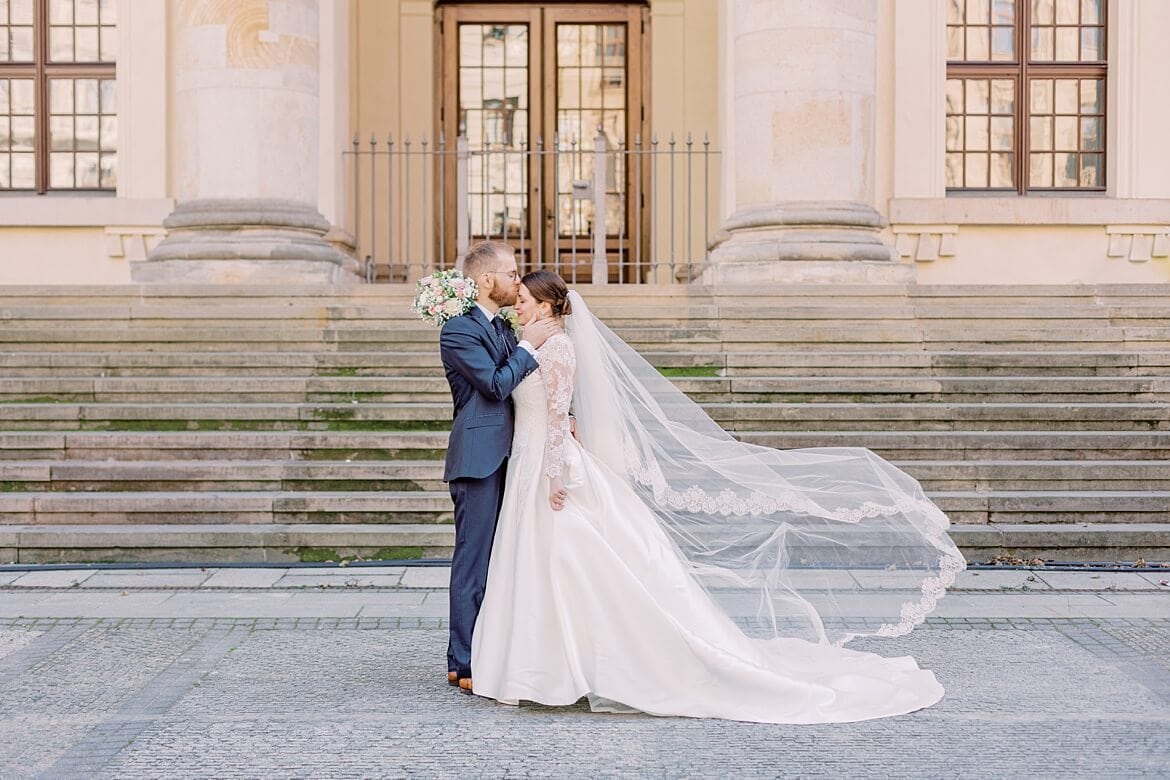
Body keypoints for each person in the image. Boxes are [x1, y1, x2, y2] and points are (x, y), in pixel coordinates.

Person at [467, 270, 967, 724]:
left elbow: (556, 415)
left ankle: (571, 666)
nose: (519, 305)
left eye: (527, 299)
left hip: (548, 465)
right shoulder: (531, 339)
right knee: (544, 560)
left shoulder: (555, 347)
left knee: (568, 558)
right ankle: (540, 663)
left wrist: (556, 474)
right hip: (529, 459)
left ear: (551, 306)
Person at [438, 241, 558, 692]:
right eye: (511, 273)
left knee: (504, 558)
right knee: (474, 559)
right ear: (486, 280)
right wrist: (528, 345)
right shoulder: (458, 331)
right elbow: (493, 385)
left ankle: (495, 648)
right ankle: (462, 661)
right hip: (479, 458)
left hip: (516, 453)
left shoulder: (503, 327)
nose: (517, 280)